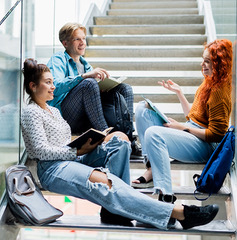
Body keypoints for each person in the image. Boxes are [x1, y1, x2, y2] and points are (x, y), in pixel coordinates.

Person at [21, 58, 219, 230]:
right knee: (106, 183)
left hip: (73, 157)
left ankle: (113, 210)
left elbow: (64, 142)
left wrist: (87, 144)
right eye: (48, 82)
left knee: (120, 141)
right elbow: (39, 150)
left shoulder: (53, 111)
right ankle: (178, 212)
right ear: (33, 86)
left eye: (53, 82)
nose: (53, 86)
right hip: (53, 169)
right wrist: (76, 150)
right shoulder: (31, 112)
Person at [132, 39, 233, 202]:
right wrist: (179, 93)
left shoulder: (219, 92)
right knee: (143, 109)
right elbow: (193, 116)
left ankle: (165, 193)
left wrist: (182, 128)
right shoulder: (209, 81)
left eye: (208, 61)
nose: (203, 64)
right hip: (192, 131)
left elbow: (217, 135)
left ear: (219, 63)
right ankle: (151, 168)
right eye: (203, 59)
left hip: (205, 146)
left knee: (153, 133)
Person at [47, 22, 141, 158]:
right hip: (66, 117)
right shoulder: (58, 59)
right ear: (65, 43)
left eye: (83, 38)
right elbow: (54, 87)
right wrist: (83, 77)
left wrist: (103, 88)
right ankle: (106, 136)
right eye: (77, 39)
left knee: (124, 89)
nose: (82, 43)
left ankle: (128, 138)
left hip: (86, 116)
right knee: (89, 83)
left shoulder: (85, 64)